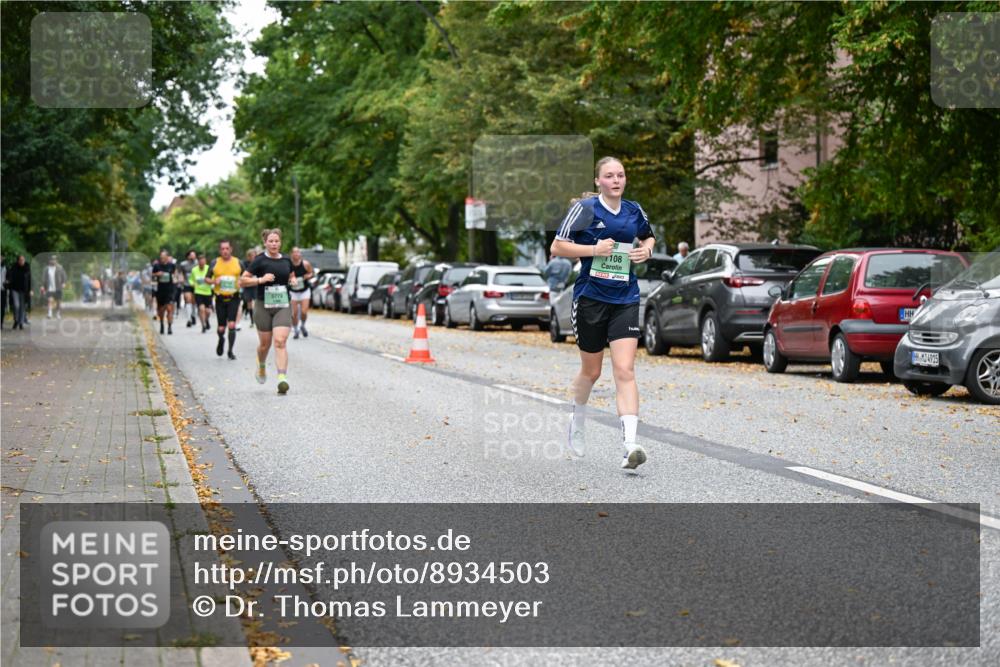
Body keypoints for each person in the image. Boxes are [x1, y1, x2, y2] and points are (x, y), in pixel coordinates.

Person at [550, 156, 655, 470]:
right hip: (591, 298)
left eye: (620, 175)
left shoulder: (634, 211)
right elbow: (557, 247)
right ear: (599, 181)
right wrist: (593, 250)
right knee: (591, 372)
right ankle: (576, 420)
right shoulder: (585, 210)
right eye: (609, 175)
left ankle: (630, 445)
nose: (616, 180)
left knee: (625, 370)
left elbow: (648, 235)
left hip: (625, 296)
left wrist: (646, 249)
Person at [240, 229, 299, 394]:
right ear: (265, 243)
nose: (274, 244)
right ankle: (261, 365)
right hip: (263, 305)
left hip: (282, 304)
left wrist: (293, 280)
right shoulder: (259, 260)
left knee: (280, 341)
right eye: (270, 241)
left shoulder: (287, 259)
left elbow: (291, 274)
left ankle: (282, 379)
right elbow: (242, 280)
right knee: (265, 345)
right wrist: (261, 279)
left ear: (280, 242)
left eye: (276, 241)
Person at [207, 239, 243, 359]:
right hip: (220, 298)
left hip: (234, 297)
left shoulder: (238, 262)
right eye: (222, 249)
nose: (225, 251)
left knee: (232, 324)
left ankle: (230, 351)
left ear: (231, 249)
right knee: (221, 327)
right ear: (220, 250)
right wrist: (213, 281)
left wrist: (241, 281)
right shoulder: (214, 263)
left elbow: (247, 275)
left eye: (227, 248)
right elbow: (206, 279)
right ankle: (221, 339)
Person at [288, 246, 314, 339]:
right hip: (293, 291)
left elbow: (311, 272)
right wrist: (290, 279)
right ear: (291, 254)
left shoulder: (305, 264)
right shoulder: (288, 264)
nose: (296, 254)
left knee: (303, 311)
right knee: (294, 313)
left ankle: (302, 325)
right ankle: (296, 330)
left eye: (298, 252)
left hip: (304, 291)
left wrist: (308, 276)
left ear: (300, 254)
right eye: (294, 252)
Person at [151, 250, 177, 335]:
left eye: (163, 257)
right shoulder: (156, 266)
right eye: (161, 257)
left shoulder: (172, 266)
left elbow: (175, 275)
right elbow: (152, 276)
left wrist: (176, 279)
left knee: (169, 309)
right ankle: (162, 323)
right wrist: (157, 274)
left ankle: (169, 327)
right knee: (161, 310)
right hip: (160, 290)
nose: (162, 259)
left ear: (167, 257)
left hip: (170, 290)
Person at [189, 253, 214, 332]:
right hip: (198, 292)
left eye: (203, 261)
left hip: (208, 292)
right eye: (200, 261)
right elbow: (191, 279)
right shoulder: (194, 270)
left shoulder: (209, 269)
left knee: (208, 311)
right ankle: (203, 325)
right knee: (201, 309)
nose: (202, 263)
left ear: (205, 261)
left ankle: (206, 320)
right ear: (198, 262)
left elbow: (213, 278)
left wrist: (212, 283)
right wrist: (192, 284)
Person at [7, 255, 31, 329]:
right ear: (18, 261)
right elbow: (9, 275)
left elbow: (30, 280)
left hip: (24, 290)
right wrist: (8, 280)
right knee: (16, 305)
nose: (22, 261)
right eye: (20, 260)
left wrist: (31, 290)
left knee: (22, 307)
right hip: (15, 289)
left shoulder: (27, 268)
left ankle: (20, 323)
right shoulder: (14, 267)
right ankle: (16, 320)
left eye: (23, 260)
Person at [178, 249, 196, 327]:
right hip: (187, 284)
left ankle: (193, 315)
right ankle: (189, 319)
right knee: (188, 300)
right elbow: (180, 272)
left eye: (194, 255)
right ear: (188, 256)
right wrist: (180, 278)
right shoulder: (183, 264)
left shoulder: (197, 263)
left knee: (194, 301)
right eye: (191, 255)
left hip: (195, 285)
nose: (193, 257)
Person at [240, 248, 257, 329]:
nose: (254, 257)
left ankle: (255, 320)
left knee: (254, 304)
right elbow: (243, 274)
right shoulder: (244, 264)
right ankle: (252, 321)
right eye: (252, 255)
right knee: (249, 304)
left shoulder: (258, 263)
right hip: (247, 287)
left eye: (255, 255)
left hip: (255, 286)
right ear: (249, 256)